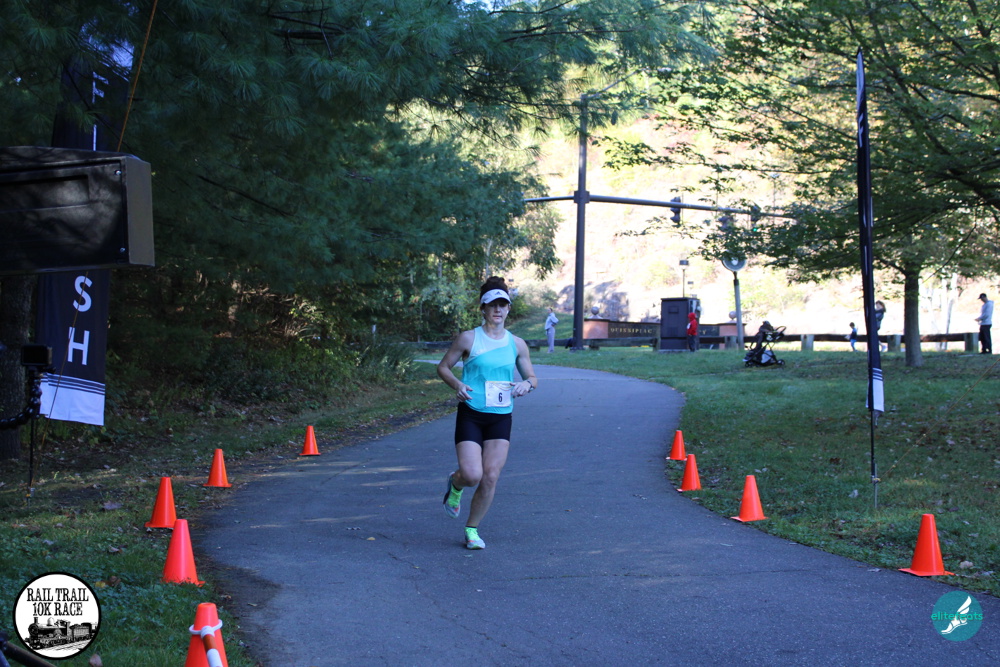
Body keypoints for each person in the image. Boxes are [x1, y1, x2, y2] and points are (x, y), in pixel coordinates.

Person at [436, 277, 538, 550]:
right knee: (472, 475)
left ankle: (472, 530)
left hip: (501, 415)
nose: (498, 309)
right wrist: (457, 385)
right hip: (472, 412)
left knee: (490, 475)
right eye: (492, 305)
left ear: (508, 309)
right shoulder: (469, 338)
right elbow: (443, 367)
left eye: (503, 304)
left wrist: (526, 385)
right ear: (483, 308)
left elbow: (532, 377)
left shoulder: (517, 343)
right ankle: (456, 483)